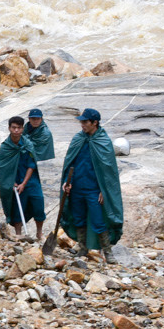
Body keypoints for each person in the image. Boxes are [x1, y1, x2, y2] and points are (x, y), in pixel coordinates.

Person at [59, 109, 124, 261]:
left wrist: (104, 190)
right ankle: (83, 247)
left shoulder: (103, 141)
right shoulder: (78, 139)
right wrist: (66, 183)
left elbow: (109, 171)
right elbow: (70, 162)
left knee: (98, 221)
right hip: (76, 188)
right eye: (81, 122)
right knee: (79, 218)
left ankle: (108, 252)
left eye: (85, 122)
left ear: (95, 123)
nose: (82, 125)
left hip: (94, 189)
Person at [0, 116, 43, 239]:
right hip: (15, 182)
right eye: (14, 127)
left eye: (19, 128)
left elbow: (31, 165)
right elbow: (2, 167)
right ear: (9, 128)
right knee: (17, 207)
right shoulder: (5, 147)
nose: (16, 130)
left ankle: (39, 233)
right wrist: (10, 182)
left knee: (39, 205)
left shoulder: (27, 144)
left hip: (31, 181)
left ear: (23, 128)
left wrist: (24, 183)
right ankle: (18, 235)